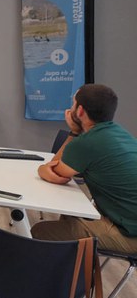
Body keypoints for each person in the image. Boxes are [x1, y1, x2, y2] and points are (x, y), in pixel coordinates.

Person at [32, 83, 137, 255]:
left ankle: (67, 271)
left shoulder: (87, 142)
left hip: (130, 235)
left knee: (42, 231)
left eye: (73, 103)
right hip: (127, 222)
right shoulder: (121, 134)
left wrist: (73, 133)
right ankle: (74, 269)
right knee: (71, 214)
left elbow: (55, 172)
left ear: (80, 111)